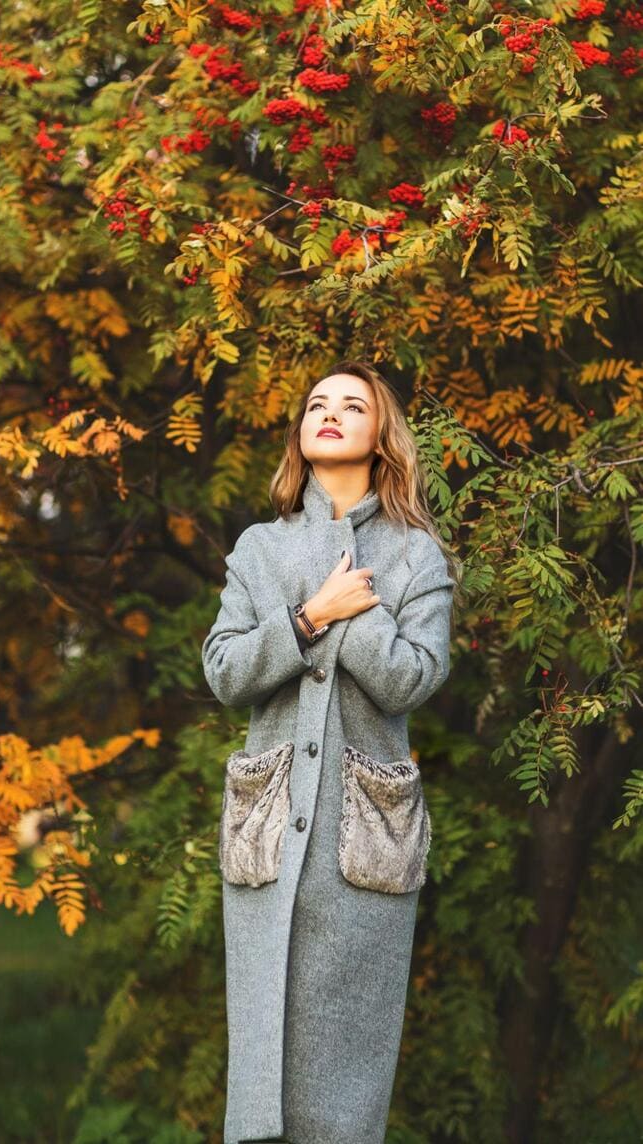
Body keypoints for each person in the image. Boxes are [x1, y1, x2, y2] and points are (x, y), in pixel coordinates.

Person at [202, 359, 459, 1144]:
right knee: (263, 1075)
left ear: (382, 434)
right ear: (301, 433)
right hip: (270, 838)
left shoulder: (418, 556)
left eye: (353, 405)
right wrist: (310, 616)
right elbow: (224, 672)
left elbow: (412, 681)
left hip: (363, 843)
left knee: (344, 1079)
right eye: (318, 404)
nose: (331, 414)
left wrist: (358, 613)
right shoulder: (258, 548)